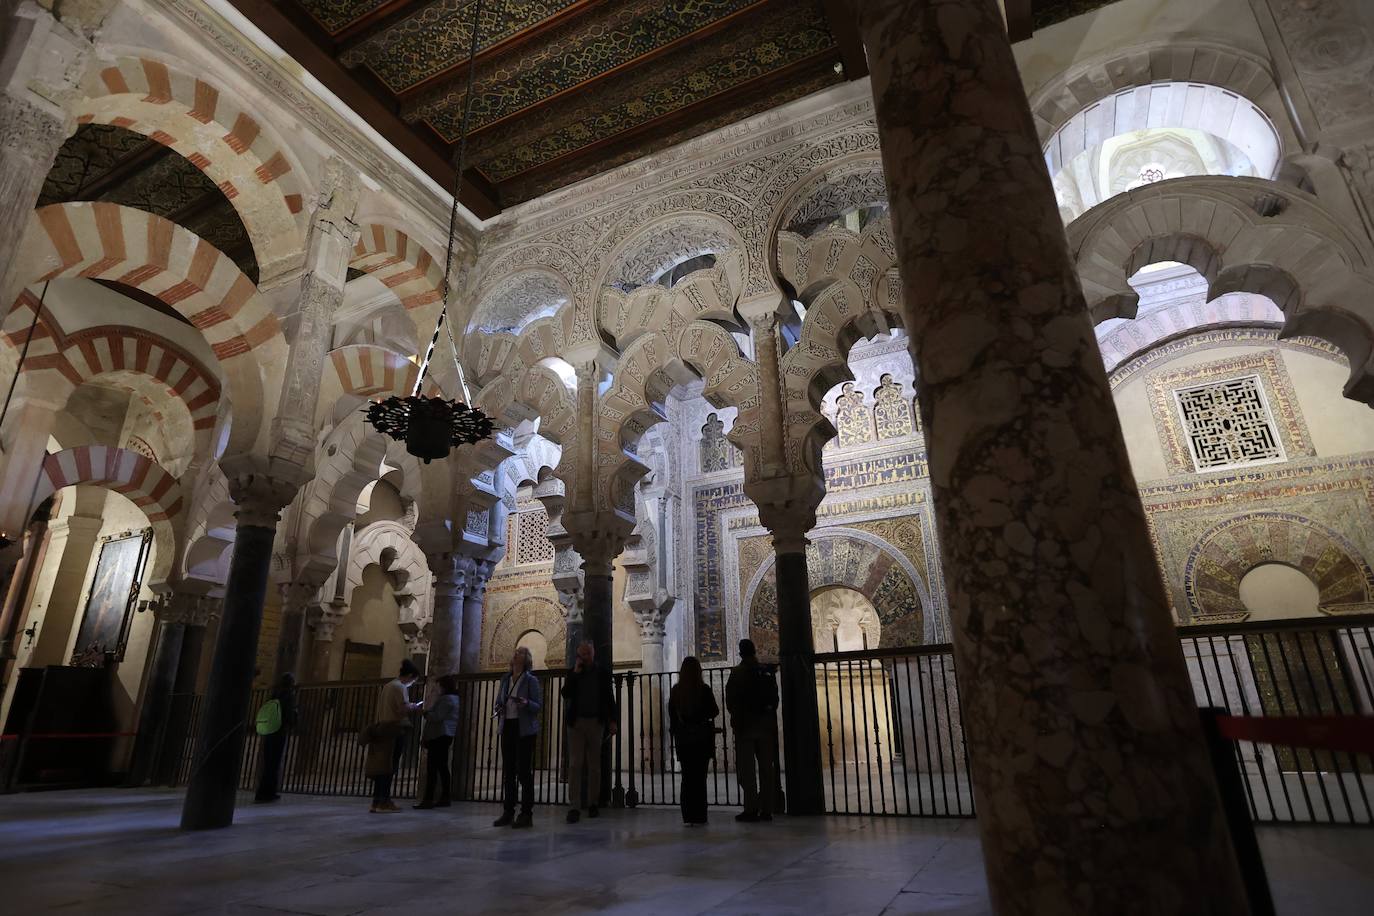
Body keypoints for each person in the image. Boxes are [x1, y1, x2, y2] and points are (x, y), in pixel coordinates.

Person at [724, 638, 779, 822]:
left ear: (740, 653)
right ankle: (767, 809)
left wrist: (737, 717)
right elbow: (775, 699)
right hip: (765, 726)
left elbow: (730, 700)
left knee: (747, 770)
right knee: (766, 769)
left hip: (745, 727)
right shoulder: (766, 671)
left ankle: (751, 808)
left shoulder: (737, 673)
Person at [362, 659, 420, 813]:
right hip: (393, 729)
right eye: (413, 681)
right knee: (389, 767)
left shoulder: (388, 686)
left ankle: (376, 801)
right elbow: (402, 709)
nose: (412, 684)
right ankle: (384, 802)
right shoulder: (400, 687)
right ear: (409, 675)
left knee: (381, 766)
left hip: (382, 727)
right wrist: (413, 706)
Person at [492, 646, 541, 828]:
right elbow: (499, 701)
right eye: (516, 652)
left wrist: (526, 703)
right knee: (509, 771)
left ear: (526, 658)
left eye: (520, 652)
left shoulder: (531, 680)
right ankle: (508, 811)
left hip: (524, 729)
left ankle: (526, 813)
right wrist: (499, 707)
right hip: (508, 726)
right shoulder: (505, 679)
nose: (516, 653)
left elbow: (537, 706)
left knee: (523, 771)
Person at [668, 656, 719, 826]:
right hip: (701, 739)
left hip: (684, 740)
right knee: (700, 779)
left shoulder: (676, 691)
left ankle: (688, 815)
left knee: (687, 779)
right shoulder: (704, 690)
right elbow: (714, 711)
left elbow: (672, 715)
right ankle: (700, 816)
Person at [414, 674, 461, 809]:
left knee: (433, 768)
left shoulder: (447, 699)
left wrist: (424, 712)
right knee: (442, 767)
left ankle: (429, 799)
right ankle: (444, 797)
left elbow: (437, 717)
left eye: (439, 686)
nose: (437, 688)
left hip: (439, 735)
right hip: (444, 735)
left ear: (444, 686)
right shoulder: (453, 699)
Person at [254, 672, 297, 803]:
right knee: (274, 763)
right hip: (279, 732)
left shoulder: (274, 695)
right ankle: (269, 792)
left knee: (268, 763)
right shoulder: (289, 696)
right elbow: (289, 715)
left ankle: (262, 792)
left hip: (269, 732)